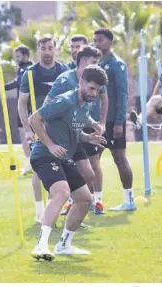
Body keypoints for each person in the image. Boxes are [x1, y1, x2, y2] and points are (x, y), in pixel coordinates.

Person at [30, 65, 108, 260]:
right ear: (81, 82)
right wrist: (50, 145)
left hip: (64, 157)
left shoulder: (86, 105)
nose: (94, 94)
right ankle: (40, 246)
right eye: (91, 88)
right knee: (62, 192)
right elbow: (34, 119)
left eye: (98, 91)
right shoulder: (64, 101)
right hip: (44, 155)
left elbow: (74, 132)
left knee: (85, 199)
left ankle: (64, 245)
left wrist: (89, 138)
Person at [46, 45, 108, 215]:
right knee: (58, 179)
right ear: (83, 62)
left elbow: (100, 100)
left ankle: (75, 206)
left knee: (89, 174)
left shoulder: (95, 78)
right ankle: (51, 208)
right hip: (60, 137)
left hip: (78, 134)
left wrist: (98, 123)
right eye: (94, 62)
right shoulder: (64, 80)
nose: (98, 66)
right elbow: (47, 106)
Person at [18, 35, 69, 223]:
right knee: (40, 170)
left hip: (62, 127)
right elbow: (22, 104)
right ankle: (40, 212)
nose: (47, 52)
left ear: (55, 49)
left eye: (50, 48)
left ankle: (53, 209)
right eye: (43, 48)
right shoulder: (30, 74)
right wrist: (27, 129)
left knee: (62, 169)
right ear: (38, 50)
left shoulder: (63, 70)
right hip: (40, 126)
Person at [94, 28, 136, 211]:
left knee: (119, 158)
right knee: (92, 161)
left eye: (100, 40)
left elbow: (123, 94)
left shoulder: (117, 64)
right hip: (98, 122)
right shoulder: (97, 64)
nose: (97, 44)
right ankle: (95, 201)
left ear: (110, 42)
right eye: (95, 40)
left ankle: (129, 200)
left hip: (113, 122)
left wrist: (120, 121)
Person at [5, 45, 33, 175]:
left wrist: (4, 86)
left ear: (26, 55)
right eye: (16, 56)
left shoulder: (31, 68)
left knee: (32, 133)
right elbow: (16, 82)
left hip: (30, 106)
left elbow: (19, 82)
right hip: (21, 106)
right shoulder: (20, 69)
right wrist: (3, 86)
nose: (17, 59)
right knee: (22, 133)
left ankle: (35, 160)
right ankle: (29, 161)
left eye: (19, 56)